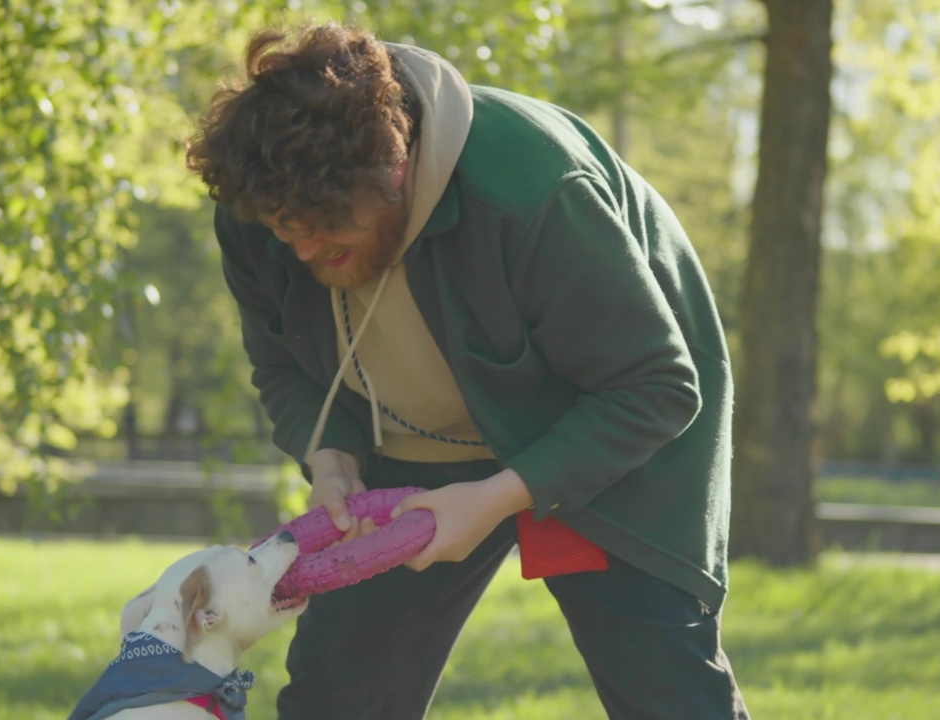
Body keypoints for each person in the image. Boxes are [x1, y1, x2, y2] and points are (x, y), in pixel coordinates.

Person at [186, 22, 748, 720]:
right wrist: (328, 452)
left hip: (597, 432)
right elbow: (278, 360)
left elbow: (657, 386)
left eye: (327, 226)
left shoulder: (532, 188)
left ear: (393, 171)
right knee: (343, 692)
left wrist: (491, 499)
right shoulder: (259, 205)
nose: (300, 246)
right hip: (405, 450)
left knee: (663, 688)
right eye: (282, 225)